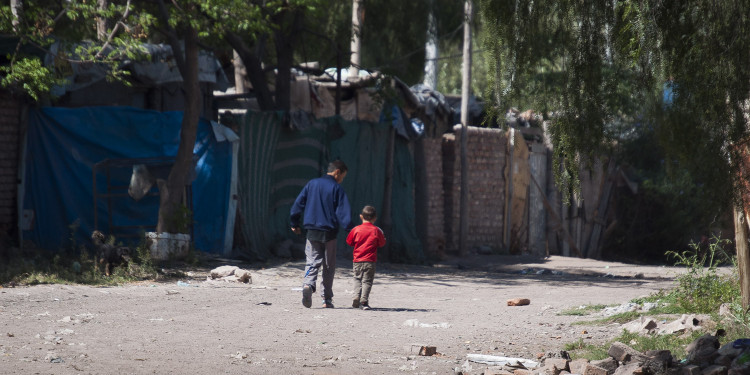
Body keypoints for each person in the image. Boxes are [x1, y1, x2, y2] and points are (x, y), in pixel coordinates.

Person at [290, 160, 352, 309]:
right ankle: (326, 299)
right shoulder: (336, 188)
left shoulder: (312, 184)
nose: (341, 179)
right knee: (328, 266)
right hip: (329, 232)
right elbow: (343, 213)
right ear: (337, 172)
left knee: (312, 261)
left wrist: (294, 223)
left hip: (311, 231)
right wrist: (350, 230)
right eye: (342, 176)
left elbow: (298, 205)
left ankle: (308, 285)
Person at [346, 205, 386, 310]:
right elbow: (382, 243)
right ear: (375, 218)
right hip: (370, 260)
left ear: (361, 216)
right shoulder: (376, 230)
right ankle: (364, 301)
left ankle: (356, 296)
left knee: (357, 279)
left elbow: (349, 241)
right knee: (367, 281)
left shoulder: (356, 229)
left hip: (357, 260)